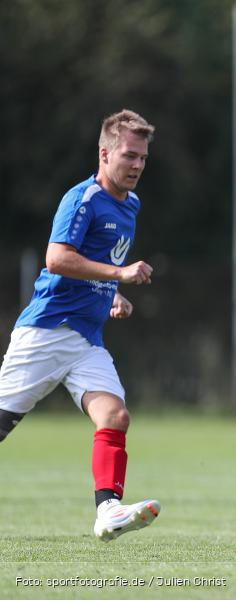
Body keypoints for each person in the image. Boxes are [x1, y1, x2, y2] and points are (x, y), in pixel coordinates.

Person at [0, 109, 161, 540]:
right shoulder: (83, 199)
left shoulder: (132, 205)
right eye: (129, 156)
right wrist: (119, 276)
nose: (137, 166)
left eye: (143, 158)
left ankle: (108, 510)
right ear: (105, 153)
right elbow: (57, 258)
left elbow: (100, 265)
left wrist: (114, 293)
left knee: (115, 415)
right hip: (48, 332)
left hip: (87, 340)